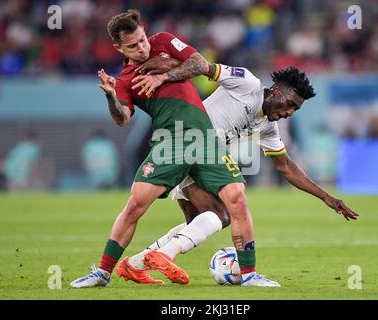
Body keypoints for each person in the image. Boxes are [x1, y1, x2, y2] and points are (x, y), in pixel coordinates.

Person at [70, 9, 276, 288]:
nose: (142, 47)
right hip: (171, 142)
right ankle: (103, 272)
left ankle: (250, 275)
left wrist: (163, 77)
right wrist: (110, 96)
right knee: (135, 206)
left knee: (237, 199)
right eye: (133, 46)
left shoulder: (165, 42)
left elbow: (200, 63)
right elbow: (122, 119)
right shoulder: (125, 81)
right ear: (118, 48)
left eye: (142, 39)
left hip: (205, 138)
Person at [119, 59, 359, 284]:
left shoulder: (268, 126)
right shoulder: (246, 82)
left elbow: (285, 166)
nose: (289, 113)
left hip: (201, 155)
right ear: (276, 90)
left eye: (294, 110)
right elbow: (202, 66)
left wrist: (326, 196)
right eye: (290, 104)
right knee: (224, 213)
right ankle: (174, 256)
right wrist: (164, 69)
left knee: (199, 221)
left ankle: (137, 263)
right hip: (189, 141)